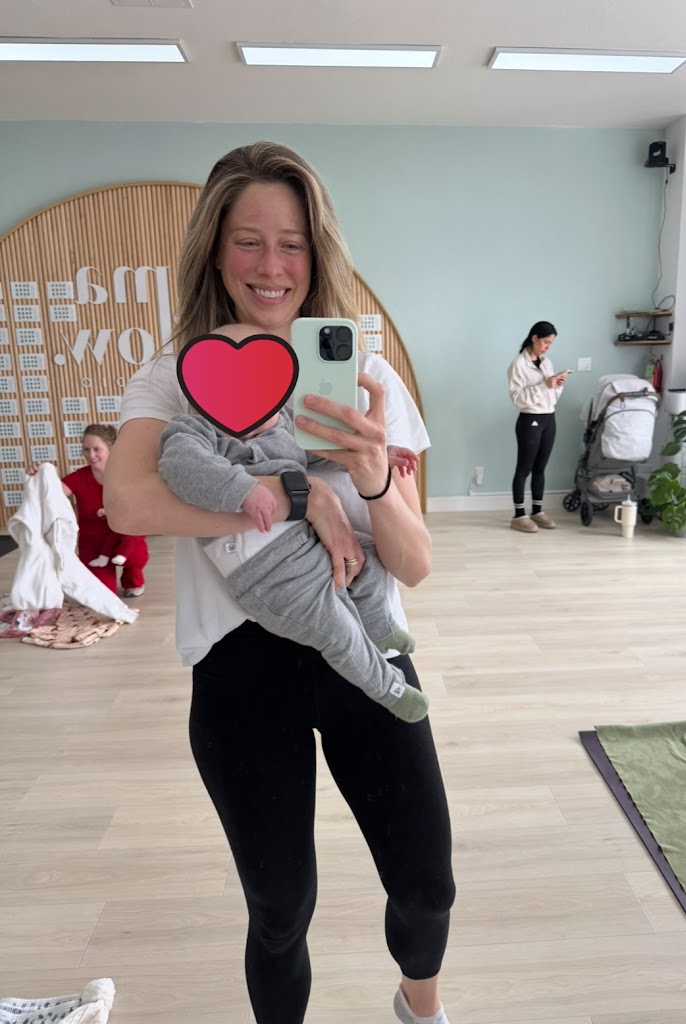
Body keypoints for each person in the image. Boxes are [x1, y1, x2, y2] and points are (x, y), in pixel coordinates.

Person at [104, 142, 455, 1024]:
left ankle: (421, 1008)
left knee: (428, 888)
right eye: (249, 241)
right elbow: (129, 501)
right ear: (215, 251)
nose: (272, 266)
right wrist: (300, 497)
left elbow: (415, 562)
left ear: (317, 253)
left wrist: (369, 476)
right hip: (240, 670)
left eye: (292, 243)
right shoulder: (175, 375)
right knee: (280, 911)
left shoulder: (367, 377)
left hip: (363, 641)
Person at [157, 326, 428, 724]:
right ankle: (390, 689)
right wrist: (244, 490)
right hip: (264, 570)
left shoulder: (279, 423)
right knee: (338, 630)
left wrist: (381, 454)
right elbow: (181, 468)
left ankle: (380, 627)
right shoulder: (194, 430)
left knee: (368, 557)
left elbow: (323, 454)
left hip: (305, 543)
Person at [28, 425, 148, 596]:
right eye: (86, 449)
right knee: (103, 594)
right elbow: (51, 494)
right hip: (93, 543)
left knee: (133, 552)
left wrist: (116, 511)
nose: (91, 455)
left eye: (96, 449)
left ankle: (133, 578)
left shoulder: (127, 476)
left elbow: (142, 508)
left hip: (124, 536)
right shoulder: (78, 477)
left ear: (111, 449)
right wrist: (39, 475)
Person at [506, 320, 568, 533]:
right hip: (529, 420)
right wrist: (544, 386)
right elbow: (517, 398)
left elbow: (552, 396)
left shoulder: (546, 363)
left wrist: (557, 385)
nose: (547, 347)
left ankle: (537, 511)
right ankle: (519, 515)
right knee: (524, 468)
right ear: (534, 338)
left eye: (551, 343)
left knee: (540, 468)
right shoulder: (518, 365)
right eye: (545, 342)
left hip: (549, 418)